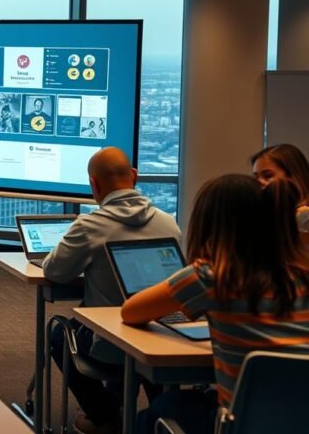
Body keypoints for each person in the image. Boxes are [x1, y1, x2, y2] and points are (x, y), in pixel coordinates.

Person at [123, 176, 309, 434]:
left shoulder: (212, 277)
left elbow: (131, 311)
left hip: (239, 423)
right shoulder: (302, 274)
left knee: (158, 410)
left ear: (208, 225)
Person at [43, 147, 182, 434]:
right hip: (167, 341)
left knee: (59, 333)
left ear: (94, 184)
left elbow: (55, 272)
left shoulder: (90, 226)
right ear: (134, 176)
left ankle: (105, 416)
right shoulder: (168, 222)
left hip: (111, 350)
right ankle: (166, 417)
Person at [250, 143, 309, 233]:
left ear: (293, 177)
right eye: (256, 177)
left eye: (268, 176)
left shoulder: (304, 217)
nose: (259, 182)